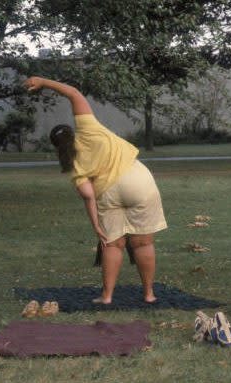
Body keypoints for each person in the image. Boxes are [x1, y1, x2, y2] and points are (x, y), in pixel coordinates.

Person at [24, 76, 167, 304]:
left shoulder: (72, 163)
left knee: (112, 244)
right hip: (138, 180)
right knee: (143, 243)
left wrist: (97, 227)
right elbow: (73, 93)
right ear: (72, 131)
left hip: (107, 192)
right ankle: (149, 294)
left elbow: (88, 195)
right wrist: (43, 81)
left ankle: (107, 296)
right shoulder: (88, 128)